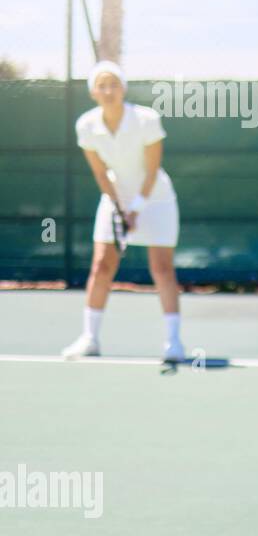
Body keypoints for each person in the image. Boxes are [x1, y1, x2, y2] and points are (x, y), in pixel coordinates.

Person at [61, 60, 186, 363]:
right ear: (93, 92)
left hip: (156, 200)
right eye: (101, 85)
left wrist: (137, 208)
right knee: (102, 265)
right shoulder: (86, 126)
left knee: (161, 269)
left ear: (123, 89)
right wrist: (119, 208)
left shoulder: (146, 120)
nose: (108, 90)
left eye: (113, 84)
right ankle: (89, 339)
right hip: (115, 197)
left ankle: (173, 343)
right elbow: (101, 174)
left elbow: (152, 170)